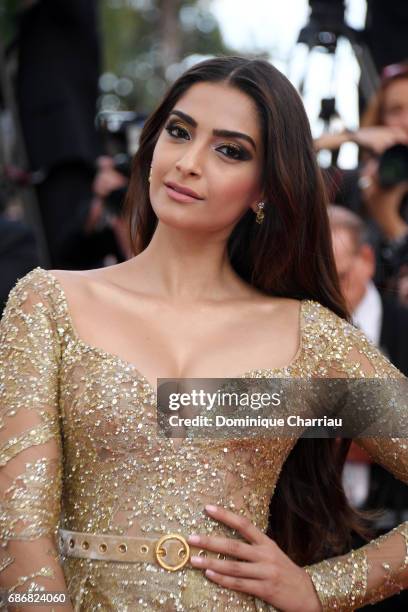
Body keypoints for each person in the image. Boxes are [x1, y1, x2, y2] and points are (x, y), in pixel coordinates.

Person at [0, 56, 407, 611]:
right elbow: (18, 525)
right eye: (179, 131)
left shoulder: (303, 338)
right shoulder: (51, 303)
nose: (189, 162)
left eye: (230, 150)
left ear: (265, 186)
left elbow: (188, 414)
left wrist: (321, 587)